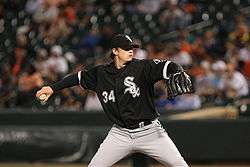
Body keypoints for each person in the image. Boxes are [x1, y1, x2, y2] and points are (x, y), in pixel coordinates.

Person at [36, 34, 192, 167]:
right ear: (115, 51)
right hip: (120, 134)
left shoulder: (143, 67)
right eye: (126, 48)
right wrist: (52, 88)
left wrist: (178, 70)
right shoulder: (101, 73)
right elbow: (76, 78)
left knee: (180, 165)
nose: (131, 51)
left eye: (132, 47)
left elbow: (168, 65)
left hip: (150, 131)